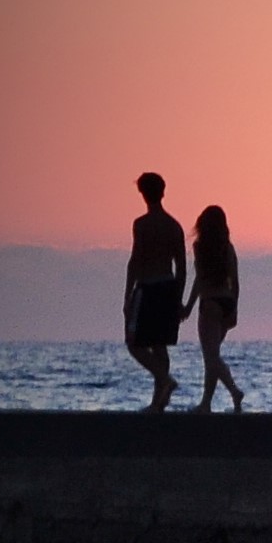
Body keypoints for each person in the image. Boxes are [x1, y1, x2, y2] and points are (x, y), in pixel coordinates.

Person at [124, 172, 186, 412]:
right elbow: (180, 267)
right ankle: (159, 400)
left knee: (134, 342)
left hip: (149, 287)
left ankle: (164, 381)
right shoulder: (173, 226)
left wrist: (128, 294)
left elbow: (135, 260)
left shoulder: (142, 224)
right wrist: (178, 299)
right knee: (159, 345)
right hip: (167, 287)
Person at [180, 205, 244, 413]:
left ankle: (233, 391)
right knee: (212, 356)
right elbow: (235, 281)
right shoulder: (228, 247)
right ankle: (207, 402)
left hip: (209, 304)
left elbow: (199, 279)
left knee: (211, 357)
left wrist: (189, 306)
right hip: (226, 302)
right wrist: (234, 310)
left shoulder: (200, 247)